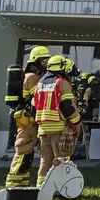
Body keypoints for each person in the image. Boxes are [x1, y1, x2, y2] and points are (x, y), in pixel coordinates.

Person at [4, 46, 51, 187]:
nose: (45, 64)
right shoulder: (32, 77)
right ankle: (13, 184)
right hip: (28, 120)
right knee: (23, 150)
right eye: (43, 61)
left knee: (28, 153)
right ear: (35, 62)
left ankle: (22, 183)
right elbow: (39, 95)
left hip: (31, 120)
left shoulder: (34, 76)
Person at [32, 55, 82, 188]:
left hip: (42, 129)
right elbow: (67, 106)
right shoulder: (61, 83)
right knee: (62, 161)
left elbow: (33, 105)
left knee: (45, 161)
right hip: (59, 129)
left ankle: (41, 188)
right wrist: (77, 122)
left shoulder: (40, 83)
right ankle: (63, 189)